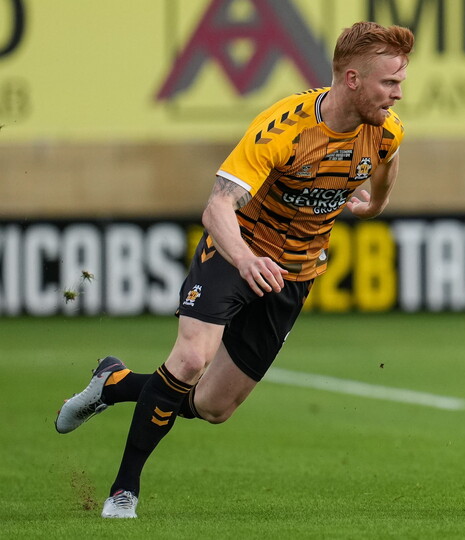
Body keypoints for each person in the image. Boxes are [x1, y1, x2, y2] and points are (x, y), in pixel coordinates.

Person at [55, 21, 414, 519]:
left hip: (293, 275)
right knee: (188, 361)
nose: (398, 94)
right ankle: (124, 491)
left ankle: (113, 384)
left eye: (400, 83)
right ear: (351, 78)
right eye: (389, 83)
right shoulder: (286, 126)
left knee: (212, 407)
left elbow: (386, 167)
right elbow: (218, 207)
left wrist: (371, 207)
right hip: (235, 252)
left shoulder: (385, 130)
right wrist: (246, 259)